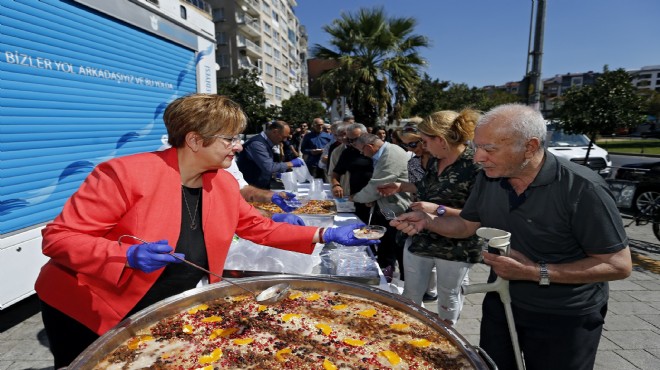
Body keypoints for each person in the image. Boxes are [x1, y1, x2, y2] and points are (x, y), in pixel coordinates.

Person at [34, 94, 378, 368]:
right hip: (86, 307)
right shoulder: (123, 174)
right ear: (194, 140)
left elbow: (258, 227)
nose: (239, 145)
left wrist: (324, 236)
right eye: (229, 138)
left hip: (154, 306)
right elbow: (59, 238)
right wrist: (124, 255)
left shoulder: (224, 183)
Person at [391, 103, 632, 370]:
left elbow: (618, 265)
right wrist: (429, 221)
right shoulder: (489, 178)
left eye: (489, 149)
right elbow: (465, 225)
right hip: (502, 301)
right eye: (478, 146)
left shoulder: (582, 188)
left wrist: (535, 272)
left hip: (565, 314)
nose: (478, 158)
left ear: (529, 147)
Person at [378, 110, 483, 324]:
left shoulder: (476, 166)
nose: (423, 146)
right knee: (411, 292)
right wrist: (400, 186)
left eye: (425, 141)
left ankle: (446, 339)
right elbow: (426, 187)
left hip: (455, 245)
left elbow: (480, 214)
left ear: (441, 140)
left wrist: (437, 209)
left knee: (448, 296)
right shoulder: (436, 160)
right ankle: (409, 332)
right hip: (421, 236)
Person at [351, 133, 413, 280]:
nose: (362, 153)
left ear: (369, 147)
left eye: (362, 150)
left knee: (398, 248)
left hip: (398, 208)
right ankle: (390, 273)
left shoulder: (391, 154)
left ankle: (406, 284)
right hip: (389, 206)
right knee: (388, 245)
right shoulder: (386, 152)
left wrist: (357, 198)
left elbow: (378, 185)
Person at [237, 120, 304, 189]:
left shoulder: (266, 143)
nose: (284, 140)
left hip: (259, 187)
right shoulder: (257, 144)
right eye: (283, 137)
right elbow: (269, 167)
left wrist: (276, 173)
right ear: (274, 132)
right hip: (251, 189)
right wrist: (290, 163)